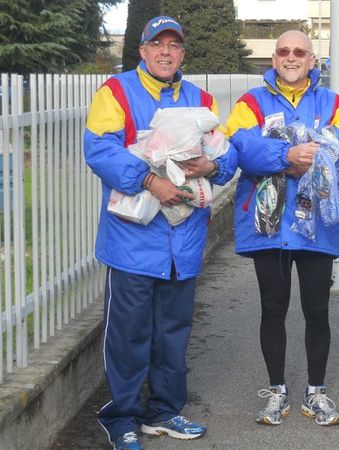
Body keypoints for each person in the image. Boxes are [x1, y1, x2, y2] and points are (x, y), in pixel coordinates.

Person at [84, 16, 238, 450]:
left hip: (183, 240)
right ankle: (122, 417)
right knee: (129, 333)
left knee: (173, 332)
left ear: (183, 53)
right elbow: (99, 149)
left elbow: (224, 158)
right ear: (143, 50)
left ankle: (164, 411)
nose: (166, 52)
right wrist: (152, 182)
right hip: (132, 241)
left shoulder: (201, 98)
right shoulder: (115, 92)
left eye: (174, 45)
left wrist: (211, 166)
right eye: (158, 44)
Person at [226, 30, 339, 427]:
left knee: (318, 311)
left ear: (311, 61)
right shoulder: (250, 102)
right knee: (273, 309)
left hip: (316, 227)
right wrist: (287, 156)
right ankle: (277, 391)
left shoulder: (334, 103)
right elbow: (239, 146)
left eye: (299, 52)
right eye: (284, 51)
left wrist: (319, 168)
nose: (291, 57)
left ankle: (316, 393)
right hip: (268, 226)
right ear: (274, 60)